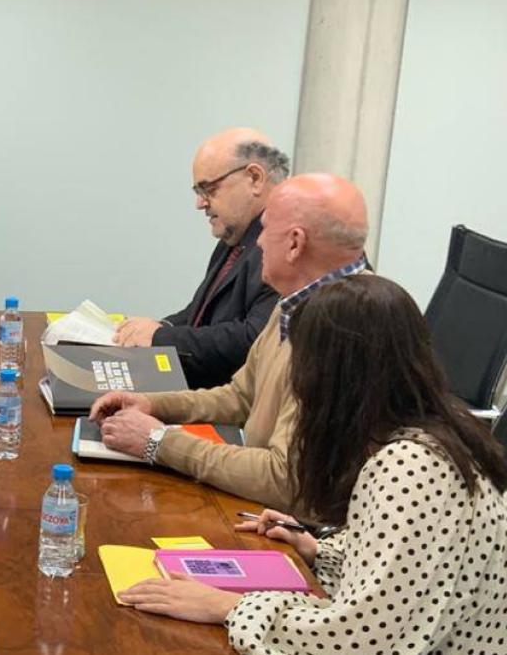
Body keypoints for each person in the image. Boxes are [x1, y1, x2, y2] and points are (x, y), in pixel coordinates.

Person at [119, 274, 507, 653]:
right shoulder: (421, 435)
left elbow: (363, 641)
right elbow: (402, 578)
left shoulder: (412, 468)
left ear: (340, 377)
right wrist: (320, 552)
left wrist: (227, 606)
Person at [90, 174, 369, 510]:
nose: (259, 243)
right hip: (259, 503)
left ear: (295, 244)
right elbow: (241, 396)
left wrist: (158, 441)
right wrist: (154, 404)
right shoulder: (297, 298)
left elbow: (284, 479)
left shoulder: (346, 330)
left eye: (266, 229)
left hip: (291, 528)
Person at [114, 128, 287, 388]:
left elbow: (253, 338)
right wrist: (159, 327)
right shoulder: (235, 235)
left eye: (208, 189)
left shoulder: (284, 245)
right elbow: (200, 314)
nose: (200, 203)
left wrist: (162, 338)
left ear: (254, 178)